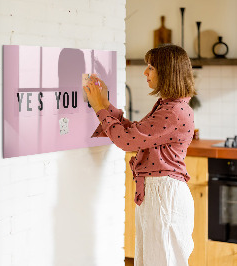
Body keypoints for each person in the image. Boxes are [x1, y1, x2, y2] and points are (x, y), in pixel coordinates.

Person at [84, 44, 196, 266]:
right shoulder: (169, 106)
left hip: (164, 195)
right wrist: (105, 104)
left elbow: (127, 141)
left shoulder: (173, 111)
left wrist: (99, 108)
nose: (145, 72)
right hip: (159, 193)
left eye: (151, 67)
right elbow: (135, 133)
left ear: (167, 72)